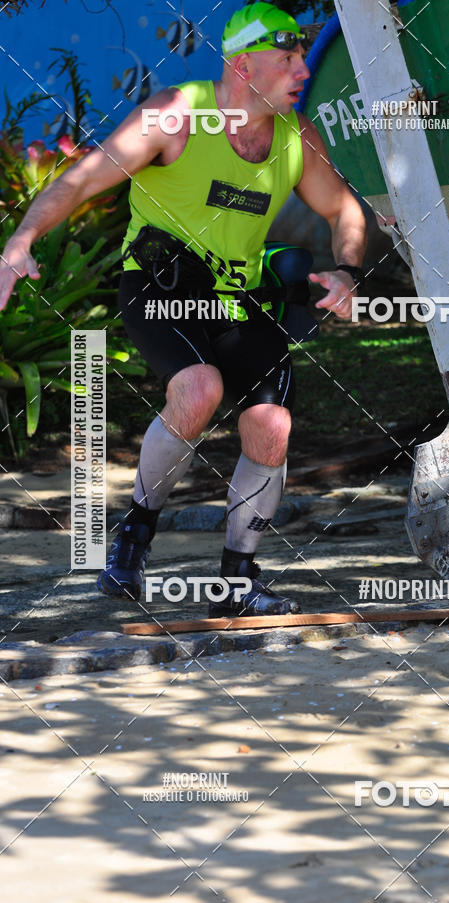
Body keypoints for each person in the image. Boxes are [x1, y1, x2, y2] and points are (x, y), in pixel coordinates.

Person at [0, 1, 367, 616]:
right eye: (290, 57)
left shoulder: (295, 138)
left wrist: (349, 268)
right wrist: (19, 241)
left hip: (239, 298)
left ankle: (237, 578)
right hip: (161, 285)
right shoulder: (177, 115)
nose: (303, 68)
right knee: (198, 391)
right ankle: (136, 531)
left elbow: (344, 210)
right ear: (245, 65)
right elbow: (85, 177)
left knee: (271, 426)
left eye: (303, 54)